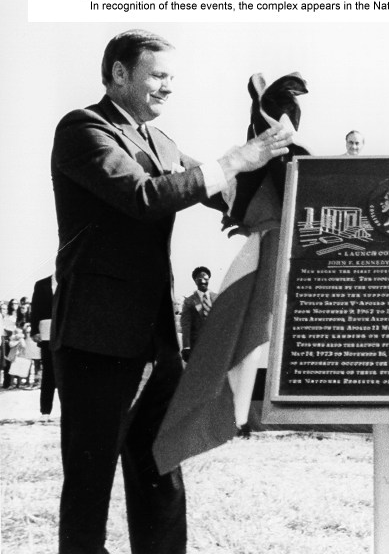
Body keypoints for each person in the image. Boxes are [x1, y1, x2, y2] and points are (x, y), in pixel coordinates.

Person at [50, 29, 294, 554]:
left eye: (171, 78)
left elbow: (224, 193)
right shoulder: (83, 129)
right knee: (90, 488)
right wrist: (233, 160)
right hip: (97, 341)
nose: (167, 87)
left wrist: (273, 150)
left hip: (154, 344)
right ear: (119, 74)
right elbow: (143, 196)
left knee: (161, 471)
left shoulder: (160, 142)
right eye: (157, 75)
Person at [30, 273, 58, 417]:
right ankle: (45, 411)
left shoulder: (71, 282)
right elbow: (35, 309)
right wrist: (34, 331)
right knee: (48, 372)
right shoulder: (41, 284)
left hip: (66, 333)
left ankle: (69, 413)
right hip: (46, 332)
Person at [179, 266, 217, 361]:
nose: (203, 281)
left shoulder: (217, 298)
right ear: (195, 281)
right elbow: (186, 326)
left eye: (205, 278)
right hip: (197, 346)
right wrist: (186, 347)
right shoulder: (189, 301)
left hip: (215, 344)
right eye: (200, 279)